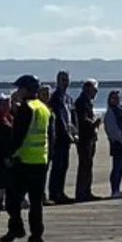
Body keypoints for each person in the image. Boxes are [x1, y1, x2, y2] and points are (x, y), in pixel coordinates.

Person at [1, 75, 50, 242]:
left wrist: (9, 155)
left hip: (24, 160)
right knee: (36, 201)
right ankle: (36, 233)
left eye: (20, 88)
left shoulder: (26, 108)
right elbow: (50, 135)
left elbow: (19, 135)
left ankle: (16, 228)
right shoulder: (43, 108)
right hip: (41, 160)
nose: (17, 91)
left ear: (27, 90)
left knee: (12, 200)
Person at [46, 71, 77, 205]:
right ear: (57, 81)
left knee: (64, 165)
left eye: (66, 80)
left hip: (68, 137)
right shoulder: (55, 98)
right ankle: (54, 193)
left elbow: (72, 117)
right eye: (62, 80)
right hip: (58, 137)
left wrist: (75, 132)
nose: (65, 83)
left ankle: (60, 191)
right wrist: (66, 134)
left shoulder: (68, 98)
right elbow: (58, 120)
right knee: (57, 166)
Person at [72, 80, 102, 202]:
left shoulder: (87, 102)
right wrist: (94, 123)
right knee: (85, 165)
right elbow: (82, 120)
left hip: (89, 137)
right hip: (84, 138)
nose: (95, 93)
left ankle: (86, 191)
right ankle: (82, 192)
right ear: (87, 89)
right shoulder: (82, 102)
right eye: (94, 90)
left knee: (87, 165)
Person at [103, 89, 122, 199]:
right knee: (116, 167)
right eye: (114, 98)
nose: (116, 100)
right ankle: (114, 190)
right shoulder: (110, 112)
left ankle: (117, 188)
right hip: (118, 144)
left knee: (121, 167)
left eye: (118, 98)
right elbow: (112, 130)